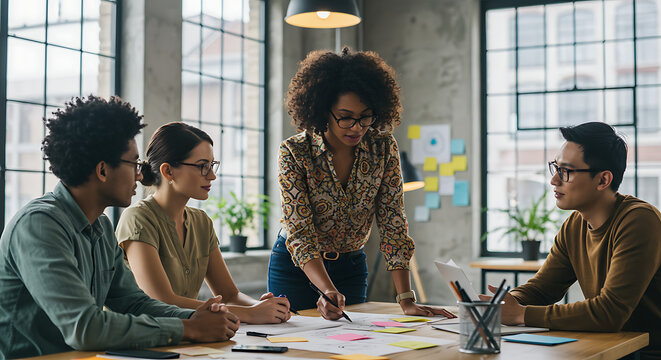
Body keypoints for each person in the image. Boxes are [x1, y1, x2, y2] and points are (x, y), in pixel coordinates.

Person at [0, 96, 239, 359]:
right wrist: (189, 328)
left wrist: (197, 316)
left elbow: (133, 302)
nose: (140, 174)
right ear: (103, 170)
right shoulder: (39, 226)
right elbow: (85, 328)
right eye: (134, 164)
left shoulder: (100, 225)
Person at [268, 47, 454, 320]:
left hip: (351, 266)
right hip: (295, 267)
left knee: (350, 343)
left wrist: (406, 299)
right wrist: (327, 290)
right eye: (345, 116)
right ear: (323, 110)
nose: (356, 127)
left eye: (365, 116)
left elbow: (393, 223)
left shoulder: (383, 147)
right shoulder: (294, 153)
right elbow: (301, 234)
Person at [479, 122, 661, 359]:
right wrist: (502, 305)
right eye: (555, 167)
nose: (554, 180)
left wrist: (520, 315)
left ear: (603, 180)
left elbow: (609, 313)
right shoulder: (575, 225)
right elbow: (543, 288)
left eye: (566, 171)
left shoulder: (639, 221)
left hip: (646, 351)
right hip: (608, 346)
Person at [116, 122, 291, 324]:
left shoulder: (201, 222)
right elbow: (162, 301)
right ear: (168, 171)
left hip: (190, 336)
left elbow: (230, 295)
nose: (212, 176)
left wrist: (263, 307)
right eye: (202, 167)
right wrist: (251, 313)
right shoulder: (138, 218)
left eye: (212, 165)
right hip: (146, 338)